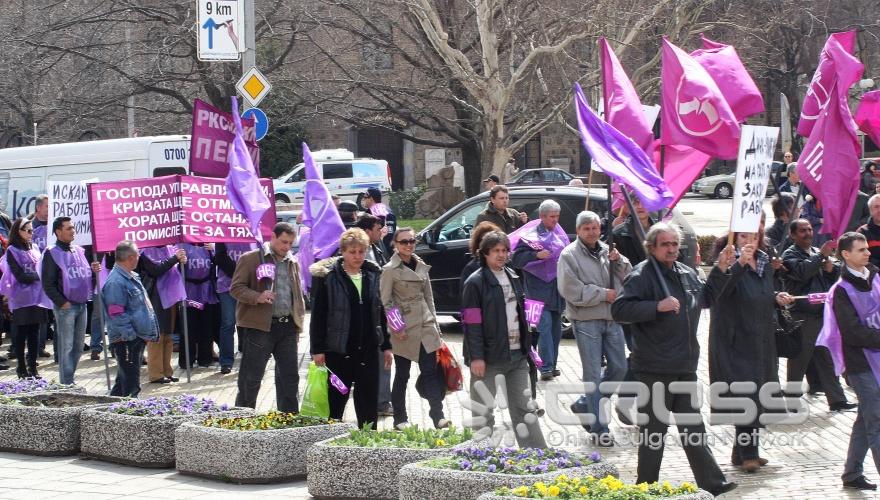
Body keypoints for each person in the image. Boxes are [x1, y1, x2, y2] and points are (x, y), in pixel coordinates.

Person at [611, 223, 737, 496]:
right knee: (653, 435)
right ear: (652, 247)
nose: (671, 249)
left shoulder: (686, 272)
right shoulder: (642, 275)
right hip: (654, 367)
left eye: (674, 244)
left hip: (685, 365)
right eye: (665, 244)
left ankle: (712, 483)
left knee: (694, 430)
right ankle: (645, 488)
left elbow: (706, 298)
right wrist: (656, 306)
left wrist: (721, 269)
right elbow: (619, 309)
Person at [708, 230, 795, 472]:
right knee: (746, 396)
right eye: (743, 237)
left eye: (753, 237)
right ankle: (749, 454)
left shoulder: (765, 263)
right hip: (736, 339)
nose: (748, 242)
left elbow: (762, 294)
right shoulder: (728, 263)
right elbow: (718, 294)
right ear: (734, 239)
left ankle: (741, 452)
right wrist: (738, 265)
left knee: (758, 394)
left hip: (762, 339)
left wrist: (777, 297)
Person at [461, 230, 547, 448]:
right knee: (483, 410)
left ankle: (537, 457)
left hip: (517, 356)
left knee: (525, 408)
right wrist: (476, 357)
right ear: (485, 254)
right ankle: (481, 459)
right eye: (495, 251)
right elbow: (471, 324)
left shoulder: (514, 276)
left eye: (504, 250)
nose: (501, 255)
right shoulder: (475, 282)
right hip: (488, 358)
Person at [558, 211, 631, 446]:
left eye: (595, 228)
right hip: (586, 320)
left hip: (612, 318)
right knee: (592, 374)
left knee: (619, 367)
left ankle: (583, 403)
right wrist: (602, 295)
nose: (592, 232)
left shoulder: (608, 250)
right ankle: (599, 427)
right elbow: (570, 290)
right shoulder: (568, 256)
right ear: (578, 230)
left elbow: (628, 276)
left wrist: (618, 261)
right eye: (586, 228)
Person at [310, 228, 393, 429]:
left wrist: (387, 345)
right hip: (339, 350)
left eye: (361, 252)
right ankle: (330, 440)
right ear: (343, 252)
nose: (357, 256)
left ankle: (367, 443)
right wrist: (317, 349)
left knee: (367, 402)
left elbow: (381, 311)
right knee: (337, 400)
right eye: (352, 252)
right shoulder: (328, 277)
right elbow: (318, 315)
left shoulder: (373, 274)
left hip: (368, 349)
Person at [819, 232, 880, 491]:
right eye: (861, 250)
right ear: (845, 254)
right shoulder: (840, 291)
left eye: (867, 249)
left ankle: (852, 473)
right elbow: (852, 332)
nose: (868, 253)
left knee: (866, 419)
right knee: (877, 420)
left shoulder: (876, 277)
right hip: (860, 364)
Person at [781, 219, 856, 411]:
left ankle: (837, 400)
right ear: (793, 235)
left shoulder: (815, 252)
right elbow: (801, 273)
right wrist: (821, 257)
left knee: (827, 357)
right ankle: (792, 398)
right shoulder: (789, 255)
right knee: (799, 359)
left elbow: (834, 275)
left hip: (823, 314)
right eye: (802, 231)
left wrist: (832, 269)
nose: (807, 233)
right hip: (803, 315)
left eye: (809, 229)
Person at [231, 223, 306, 413]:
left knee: (289, 379)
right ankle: (242, 420)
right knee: (251, 379)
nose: (286, 247)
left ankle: (288, 421)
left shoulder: (293, 262)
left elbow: (296, 295)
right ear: (272, 236)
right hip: (259, 328)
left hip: (287, 327)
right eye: (283, 242)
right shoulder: (251, 258)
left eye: (290, 243)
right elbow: (236, 288)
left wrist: (298, 324)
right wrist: (257, 297)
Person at [381, 227, 448, 429]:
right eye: (404, 242)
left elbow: (429, 298)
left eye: (412, 241)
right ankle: (400, 418)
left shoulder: (420, 265)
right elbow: (386, 301)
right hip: (404, 329)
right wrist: (397, 326)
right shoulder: (390, 269)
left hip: (425, 325)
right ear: (395, 244)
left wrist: (436, 326)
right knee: (403, 374)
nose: (409, 245)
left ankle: (438, 416)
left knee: (430, 372)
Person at [511, 200, 568, 381]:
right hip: (536, 291)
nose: (555, 220)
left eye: (557, 216)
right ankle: (545, 366)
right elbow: (516, 259)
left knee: (555, 330)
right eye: (552, 216)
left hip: (556, 291)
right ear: (542, 217)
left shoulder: (560, 233)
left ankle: (552, 364)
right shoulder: (530, 235)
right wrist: (536, 255)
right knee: (543, 327)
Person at [41, 217, 100, 385]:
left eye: (73, 227)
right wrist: (62, 303)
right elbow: (48, 283)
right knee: (66, 347)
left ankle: (69, 379)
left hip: (82, 304)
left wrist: (94, 271)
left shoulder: (79, 251)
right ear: (58, 231)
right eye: (68, 228)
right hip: (66, 307)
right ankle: (66, 383)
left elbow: (86, 277)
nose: (73, 231)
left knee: (78, 346)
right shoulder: (51, 253)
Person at [102, 240, 159, 397]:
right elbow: (116, 313)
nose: (140, 257)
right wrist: (131, 337)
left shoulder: (131, 276)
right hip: (127, 340)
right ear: (131, 257)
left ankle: (107, 413)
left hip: (134, 338)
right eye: (138, 254)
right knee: (131, 387)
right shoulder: (116, 282)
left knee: (122, 384)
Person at [1, 218, 49, 376]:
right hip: (21, 298)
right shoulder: (12, 250)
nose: (31, 233)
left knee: (35, 332)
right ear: (18, 231)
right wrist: (40, 276)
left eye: (31, 230)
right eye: (27, 230)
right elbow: (20, 275)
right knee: (21, 333)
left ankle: (33, 367)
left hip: (37, 297)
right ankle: (21, 367)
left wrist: (39, 275)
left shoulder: (34, 247)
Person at [357, 213, 392, 416]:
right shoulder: (359, 254)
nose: (381, 233)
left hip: (381, 311)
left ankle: (382, 402)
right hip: (363, 316)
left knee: (384, 356)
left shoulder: (379, 249)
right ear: (367, 231)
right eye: (378, 229)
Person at [139, 245, 187, 384]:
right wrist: (174, 259)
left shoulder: (171, 248)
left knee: (168, 336)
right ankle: (155, 374)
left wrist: (183, 261)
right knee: (157, 336)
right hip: (155, 295)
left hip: (171, 296)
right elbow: (155, 270)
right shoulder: (145, 251)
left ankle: (167, 371)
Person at [214, 242, 258, 373]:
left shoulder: (253, 229)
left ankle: (251, 359)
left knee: (250, 323)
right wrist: (240, 274)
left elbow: (259, 255)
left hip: (248, 287)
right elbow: (220, 257)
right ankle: (226, 362)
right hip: (227, 286)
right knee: (228, 324)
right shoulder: (221, 231)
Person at [179, 243, 218, 369]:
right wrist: (179, 261)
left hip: (206, 289)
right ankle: (186, 360)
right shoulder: (182, 245)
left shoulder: (209, 245)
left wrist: (214, 250)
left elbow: (217, 264)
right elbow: (176, 268)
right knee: (188, 327)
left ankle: (205, 358)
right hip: (189, 290)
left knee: (206, 325)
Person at [611, 194, 654, 266]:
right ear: (629, 206)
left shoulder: (660, 231)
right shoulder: (618, 234)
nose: (640, 206)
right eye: (636, 202)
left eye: (643, 202)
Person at [460, 221, 502, 288]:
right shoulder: (471, 269)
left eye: (492, 241)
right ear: (478, 245)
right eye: (484, 241)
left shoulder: (507, 266)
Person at [361, 187, 396, 252]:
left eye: (365, 197)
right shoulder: (388, 210)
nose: (363, 199)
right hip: (392, 249)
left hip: (378, 250)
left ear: (371, 199)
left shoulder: (370, 213)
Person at [858, 194, 880, 268]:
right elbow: (860, 260)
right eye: (876, 207)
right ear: (870, 211)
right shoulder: (862, 232)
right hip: (874, 277)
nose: (879, 210)